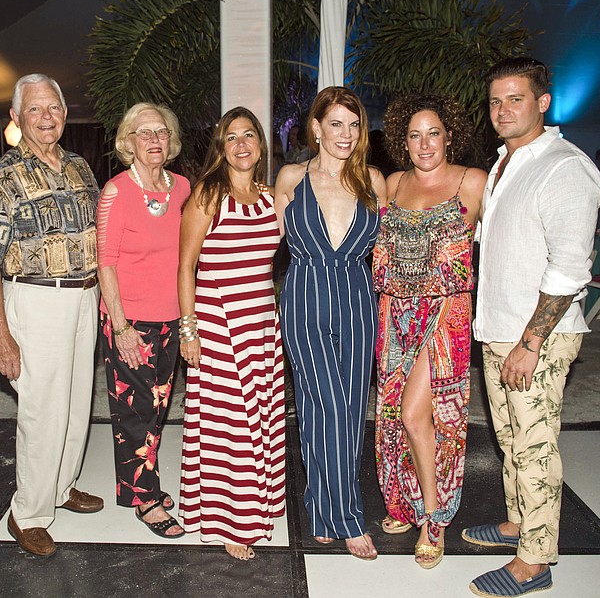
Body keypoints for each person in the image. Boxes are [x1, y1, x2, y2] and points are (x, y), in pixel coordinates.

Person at [464, 58, 600, 598]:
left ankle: (535, 562)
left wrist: (530, 342)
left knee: (536, 446)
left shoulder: (565, 166)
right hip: (499, 331)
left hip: (535, 339)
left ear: (543, 102)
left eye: (515, 99)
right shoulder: (503, 165)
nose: (502, 111)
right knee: (511, 442)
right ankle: (519, 524)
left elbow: (570, 268)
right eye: (496, 101)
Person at [0, 74, 104, 558]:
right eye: (34, 109)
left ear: (65, 115)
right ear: (15, 117)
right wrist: (0, 336)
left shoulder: (78, 167)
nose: (46, 116)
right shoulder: (1, 177)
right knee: (41, 409)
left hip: (83, 297)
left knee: (75, 403)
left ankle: (61, 487)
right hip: (34, 299)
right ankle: (27, 513)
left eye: (54, 107)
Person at [372, 94, 485, 569]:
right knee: (394, 415)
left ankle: (433, 516)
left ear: (449, 136)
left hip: (443, 317)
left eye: (433, 132)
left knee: (419, 415)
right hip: (393, 315)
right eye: (414, 134)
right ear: (404, 141)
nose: (424, 143)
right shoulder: (393, 184)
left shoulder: (473, 182)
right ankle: (403, 500)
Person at [275, 86, 387, 560]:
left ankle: (320, 506)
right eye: (336, 124)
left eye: (354, 124)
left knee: (342, 409)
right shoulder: (290, 178)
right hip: (304, 298)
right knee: (328, 404)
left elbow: (384, 254)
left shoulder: (374, 181)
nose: (346, 134)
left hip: (358, 300)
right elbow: (269, 245)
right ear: (316, 128)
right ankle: (349, 516)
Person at [178, 107, 286, 560]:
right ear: (221, 148)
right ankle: (230, 520)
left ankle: (257, 503)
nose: (241, 145)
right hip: (219, 321)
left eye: (249, 136)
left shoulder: (269, 196)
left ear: (261, 145)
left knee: (258, 419)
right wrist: (189, 330)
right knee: (230, 426)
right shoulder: (208, 193)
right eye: (231, 138)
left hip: (261, 322)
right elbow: (185, 265)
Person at [98, 102, 190, 538]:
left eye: (161, 133)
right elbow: (106, 263)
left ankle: (143, 479)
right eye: (144, 133)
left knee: (156, 409)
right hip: (131, 320)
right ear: (127, 141)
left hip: (171, 319)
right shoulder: (116, 191)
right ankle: (145, 499)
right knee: (135, 413)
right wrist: (120, 326)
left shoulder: (183, 188)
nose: (154, 140)